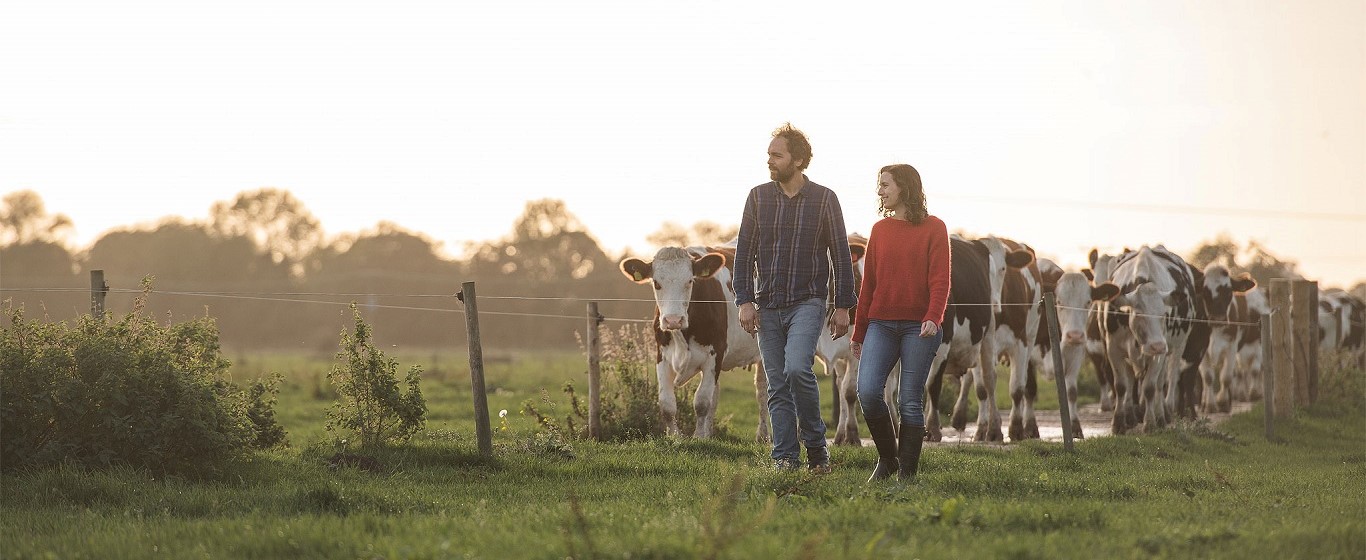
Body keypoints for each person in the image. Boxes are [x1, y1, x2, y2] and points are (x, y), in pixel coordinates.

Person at [734, 123, 857, 473]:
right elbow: (744, 254)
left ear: (798, 160)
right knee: (776, 384)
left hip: (808, 301)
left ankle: (817, 449)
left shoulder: (824, 199)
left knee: (796, 369)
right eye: (769, 154)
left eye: (777, 155)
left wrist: (843, 305)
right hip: (767, 304)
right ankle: (785, 459)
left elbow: (841, 256)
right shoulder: (757, 197)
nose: (770, 161)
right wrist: (744, 300)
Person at [850, 163, 950, 482]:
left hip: (919, 326)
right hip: (881, 324)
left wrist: (934, 317)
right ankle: (888, 459)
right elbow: (869, 285)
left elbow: (940, 280)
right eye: (879, 186)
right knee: (867, 392)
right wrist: (859, 332)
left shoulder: (935, 228)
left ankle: (906, 475)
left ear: (904, 187)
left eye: (885, 185)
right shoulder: (879, 230)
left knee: (908, 400)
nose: (880, 191)